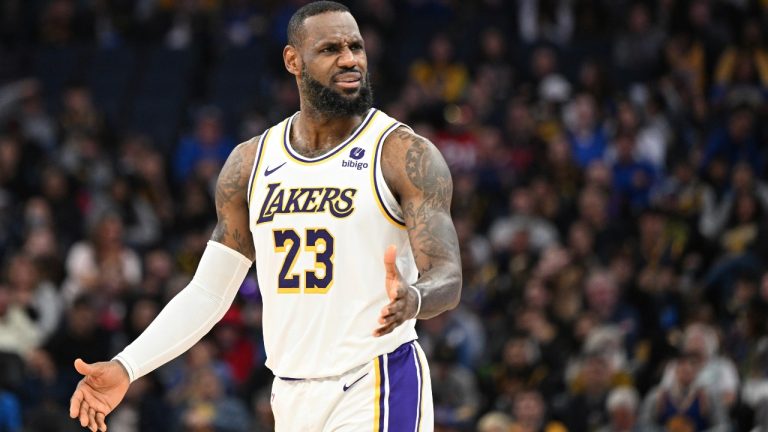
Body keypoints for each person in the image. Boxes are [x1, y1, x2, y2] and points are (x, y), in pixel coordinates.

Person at [68, 2, 462, 431]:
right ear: (293, 60)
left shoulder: (402, 153)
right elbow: (208, 292)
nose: (350, 59)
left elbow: (447, 275)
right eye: (331, 49)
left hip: (377, 379)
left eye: (356, 47)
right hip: (290, 392)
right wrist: (127, 365)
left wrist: (416, 298)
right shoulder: (250, 163)